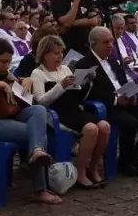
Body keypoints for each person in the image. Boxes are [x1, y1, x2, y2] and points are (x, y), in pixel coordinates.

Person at [0, 38, 59, 204]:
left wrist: (27, 81)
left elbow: (18, 83)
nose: (6, 65)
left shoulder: (4, 71)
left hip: (8, 114)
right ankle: (40, 189)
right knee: (39, 135)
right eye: (2, 61)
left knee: (38, 110)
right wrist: (0, 84)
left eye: (8, 61)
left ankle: (36, 151)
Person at [77, 27, 138, 176]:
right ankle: (125, 163)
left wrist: (131, 94)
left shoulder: (113, 60)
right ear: (93, 44)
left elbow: (122, 82)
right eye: (105, 42)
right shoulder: (83, 64)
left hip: (124, 100)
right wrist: (116, 100)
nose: (110, 45)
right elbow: (86, 94)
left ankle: (134, 155)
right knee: (131, 123)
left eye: (111, 41)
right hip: (106, 106)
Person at [30, 34, 111, 189]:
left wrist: (85, 81)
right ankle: (80, 172)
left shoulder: (65, 69)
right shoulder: (38, 73)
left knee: (105, 127)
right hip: (57, 114)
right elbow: (41, 101)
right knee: (91, 129)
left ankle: (92, 167)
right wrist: (60, 85)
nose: (60, 56)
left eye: (61, 52)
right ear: (45, 54)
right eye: (56, 53)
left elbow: (77, 94)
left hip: (74, 110)